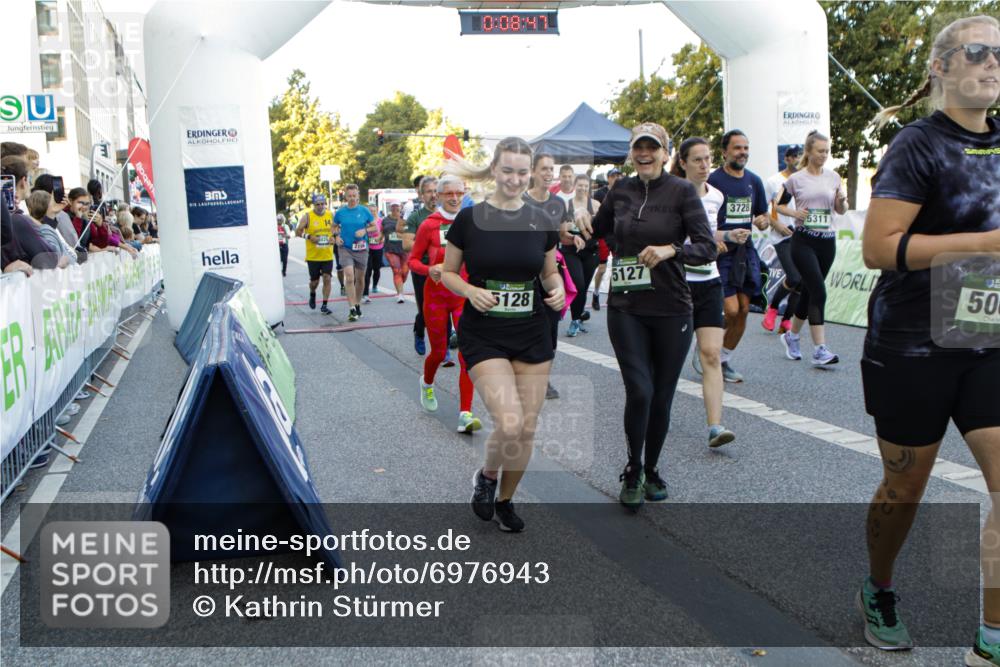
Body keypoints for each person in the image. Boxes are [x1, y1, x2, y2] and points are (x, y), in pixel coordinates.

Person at [855, 15, 1000, 663]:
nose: (992, 62)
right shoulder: (918, 144)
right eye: (978, 50)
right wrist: (985, 245)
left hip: (987, 336)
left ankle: (991, 638)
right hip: (912, 340)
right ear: (941, 67)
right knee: (904, 487)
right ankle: (879, 585)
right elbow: (878, 248)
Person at [579, 122, 716, 509]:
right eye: (638, 147)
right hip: (626, 305)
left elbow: (706, 246)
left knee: (661, 397)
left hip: (672, 307)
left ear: (665, 152)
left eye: (652, 148)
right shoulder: (620, 190)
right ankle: (633, 467)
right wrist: (581, 225)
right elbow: (597, 230)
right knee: (639, 389)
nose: (644, 154)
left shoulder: (682, 192)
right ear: (631, 151)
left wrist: (672, 249)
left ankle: (652, 468)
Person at [439, 137, 566, 532]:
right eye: (507, 170)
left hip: (532, 331)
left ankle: (506, 501)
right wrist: (470, 290)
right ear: (494, 169)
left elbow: (548, 271)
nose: (514, 179)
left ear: (531, 174)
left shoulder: (541, 218)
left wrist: (557, 287)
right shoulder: (469, 218)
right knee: (509, 422)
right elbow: (446, 273)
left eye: (522, 172)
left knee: (526, 428)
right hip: (486, 333)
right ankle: (487, 477)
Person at [671, 137, 736, 448]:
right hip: (677, 282)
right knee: (670, 357)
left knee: (710, 353)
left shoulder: (717, 196)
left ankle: (715, 426)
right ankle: (658, 409)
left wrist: (725, 236)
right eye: (697, 159)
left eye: (708, 159)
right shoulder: (671, 194)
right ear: (683, 163)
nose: (704, 165)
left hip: (709, 281)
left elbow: (708, 232)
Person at [408, 174, 482, 433]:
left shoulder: (472, 222)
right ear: (437, 196)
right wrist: (429, 270)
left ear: (464, 194)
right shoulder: (429, 225)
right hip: (436, 297)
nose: (454, 198)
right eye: (448, 194)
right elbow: (413, 261)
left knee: (467, 355)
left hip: (462, 296)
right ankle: (426, 383)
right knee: (439, 353)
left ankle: (465, 414)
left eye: (458, 193)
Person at [776, 131, 846, 366]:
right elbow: (779, 205)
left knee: (809, 292)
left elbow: (840, 210)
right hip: (804, 241)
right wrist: (795, 213)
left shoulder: (834, 177)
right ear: (809, 151)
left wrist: (842, 201)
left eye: (827, 151)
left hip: (827, 241)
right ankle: (820, 349)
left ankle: (792, 335)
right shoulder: (796, 179)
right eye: (820, 151)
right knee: (819, 291)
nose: (824, 155)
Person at [707, 130, 771, 383]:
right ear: (724, 152)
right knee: (730, 310)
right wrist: (718, 239)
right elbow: (704, 217)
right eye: (737, 148)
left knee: (744, 310)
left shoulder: (754, 181)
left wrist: (763, 221)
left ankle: (722, 360)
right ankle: (707, 345)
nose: (742, 152)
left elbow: (764, 217)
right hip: (721, 252)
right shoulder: (713, 181)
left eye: (745, 148)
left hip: (746, 253)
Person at [523, 151, 572, 400]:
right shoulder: (521, 201)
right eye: (543, 169)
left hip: (551, 269)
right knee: (527, 325)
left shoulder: (558, 203)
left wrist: (576, 237)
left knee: (551, 326)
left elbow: (561, 236)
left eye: (550, 170)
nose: (548, 174)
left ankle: (544, 380)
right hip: (525, 273)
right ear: (532, 172)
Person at [762, 146, 803, 333]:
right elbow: (762, 210)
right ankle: (772, 309)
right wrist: (776, 225)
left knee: (801, 280)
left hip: (802, 235)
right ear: (786, 159)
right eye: (795, 156)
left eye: (802, 156)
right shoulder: (773, 181)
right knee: (794, 277)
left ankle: (787, 320)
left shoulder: (806, 180)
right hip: (781, 236)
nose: (798, 160)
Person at [400, 176, 439, 354]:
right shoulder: (416, 217)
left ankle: (443, 349)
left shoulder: (449, 214)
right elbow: (406, 244)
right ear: (422, 195)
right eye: (429, 191)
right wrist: (428, 242)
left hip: (446, 269)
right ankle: (419, 331)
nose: (433, 195)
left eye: (436, 191)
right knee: (425, 309)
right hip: (423, 269)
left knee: (445, 308)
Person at [563, 174, 601, 337]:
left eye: (586, 186)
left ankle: (578, 318)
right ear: (574, 185)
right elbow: (562, 231)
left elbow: (601, 230)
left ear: (589, 187)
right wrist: (573, 233)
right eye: (580, 185)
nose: (583, 188)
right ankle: (574, 321)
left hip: (591, 251)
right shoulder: (566, 205)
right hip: (572, 250)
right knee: (577, 285)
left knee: (584, 287)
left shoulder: (596, 205)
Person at [333, 184, 377, 322]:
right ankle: (352, 308)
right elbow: (333, 227)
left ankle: (357, 303)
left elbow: (374, 226)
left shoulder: (364, 211)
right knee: (349, 277)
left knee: (360, 279)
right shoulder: (340, 212)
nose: (352, 199)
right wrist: (336, 237)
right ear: (345, 196)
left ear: (358, 196)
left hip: (361, 248)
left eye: (354, 196)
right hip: (345, 247)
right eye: (349, 196)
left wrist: (365, 231)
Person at [295, 193, 336, 314]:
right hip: (313, 256)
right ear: (314, 205)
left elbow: (336, 229)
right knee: (314, 282)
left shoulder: (330, 215)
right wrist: (308, 236)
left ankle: (324, 304)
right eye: (317, 204)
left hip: (327, 254)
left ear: (325, 204)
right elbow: (297, 231)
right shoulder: (307, 216)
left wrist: (334, 237)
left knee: (327, 278)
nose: (320, 206)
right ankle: (312, 293)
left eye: (322, 204)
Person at [591, 167, 622, 311]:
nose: (616, 178)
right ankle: (596, 293)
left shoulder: (625, 192)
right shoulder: (600, 193)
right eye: (613, 176)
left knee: (617, 267)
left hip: (618, 235)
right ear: (608, 178)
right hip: (604, 234)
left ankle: (613, 296)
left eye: (618, 176)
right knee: (602, 268)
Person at [382, 202, 409, 303]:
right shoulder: (385, 220)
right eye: (393, 206)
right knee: (397, 270)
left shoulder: (405, 220)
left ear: (400, 208)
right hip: (390, 249)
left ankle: (400, 286)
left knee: (405, 272)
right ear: (390, 208)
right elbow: (382, 232)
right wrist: (379, 238)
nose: (395, 208)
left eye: (397, 206)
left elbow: (410, 233)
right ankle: (400, 294)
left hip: (404, 249)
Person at [362, 203, 384, 304]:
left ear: (377, 211)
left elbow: (384, 233)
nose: (372, 213)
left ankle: (375, 285)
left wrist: (381, 239)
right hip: (367, 249)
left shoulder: (381, 221)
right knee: (367, 270)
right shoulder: (365, 222)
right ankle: (365, 293)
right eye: (370, 211)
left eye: (374, 211)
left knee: (376, 269)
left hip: (378, 248)